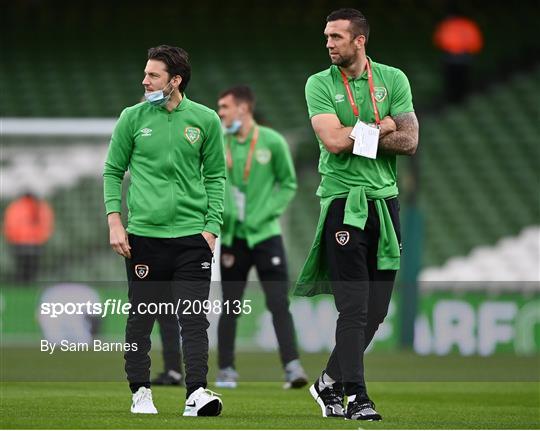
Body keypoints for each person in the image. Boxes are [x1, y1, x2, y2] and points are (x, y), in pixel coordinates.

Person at [294, 9, 419, 421]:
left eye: (336, 37)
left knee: (378, 310)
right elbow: (331, 141)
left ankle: (327, 381)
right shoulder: (319, 83)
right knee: (355, 308)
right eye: (326, 36)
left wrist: (362, 134)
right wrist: (379, 127)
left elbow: (411, 140)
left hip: (385, 203)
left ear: (359, 40)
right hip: (343, 203)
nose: (328, 43)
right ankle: (357, 397)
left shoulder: (393, 79)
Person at [103, 45, 226, 416]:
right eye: (145, 73)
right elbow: (112, 171)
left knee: (193, 317)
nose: (145, 80)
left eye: (153, 75)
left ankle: (197, 393)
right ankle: (140, 391)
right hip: (143, 237)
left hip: (193, 239)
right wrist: (115, 220)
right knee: (142, 317)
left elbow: (217, 176)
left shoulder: (205, 120)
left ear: (175, 81)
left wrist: (211, 227)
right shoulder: (131, 117)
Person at [215, 85, 308, 389]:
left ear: (243, 109)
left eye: (224, 108)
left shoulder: (272, 141)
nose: (220, 114)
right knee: (230, 306)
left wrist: (268, 212)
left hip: (266, 236)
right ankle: (226, 369)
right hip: (233, 237)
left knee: (279, 302)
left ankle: (292, 367)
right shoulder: (219, 143)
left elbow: (289, 184)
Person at [3, 192, 54, 282]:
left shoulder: (16, 206)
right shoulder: (41, 206)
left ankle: (22, 289)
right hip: (32, 244)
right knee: (30, 271)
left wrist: (14, 239)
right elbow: (46, 225)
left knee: (23, 270)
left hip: (21, 244)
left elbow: (9, 226)